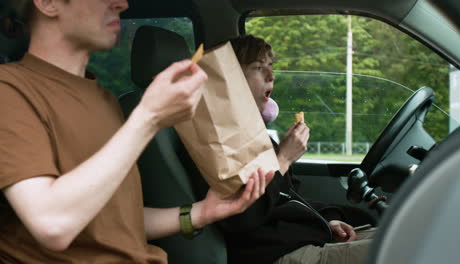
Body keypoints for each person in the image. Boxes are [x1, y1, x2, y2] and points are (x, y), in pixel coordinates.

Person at [0, 1, 275, 263]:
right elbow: (52, 225)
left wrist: (201, 213)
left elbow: (112, 221)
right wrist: (148, 118)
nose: (122, 3)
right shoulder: (9, 91)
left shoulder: (104, 100)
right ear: (48, 2)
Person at [216, 34, 375, 264]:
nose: (271, 75)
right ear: (231, 78)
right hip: (277, 254)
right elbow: (242, 217)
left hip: (303, 239)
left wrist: (327, 220)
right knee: (414, 245)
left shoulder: (252, 134)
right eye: (259, 67)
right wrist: (282, 159)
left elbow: (289, 198)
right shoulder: (216, 139)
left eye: (270, 66)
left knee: (405, 234)